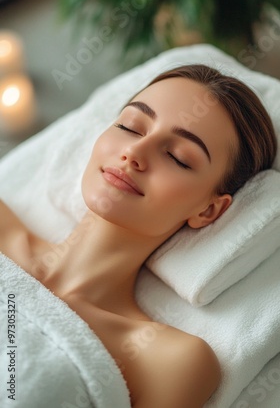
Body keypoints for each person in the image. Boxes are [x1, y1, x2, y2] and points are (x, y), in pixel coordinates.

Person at [0, 64, 277, 407]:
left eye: (178, 157)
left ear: (208, 211)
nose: (135, 153)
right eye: (129, 126)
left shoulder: (168, 360)